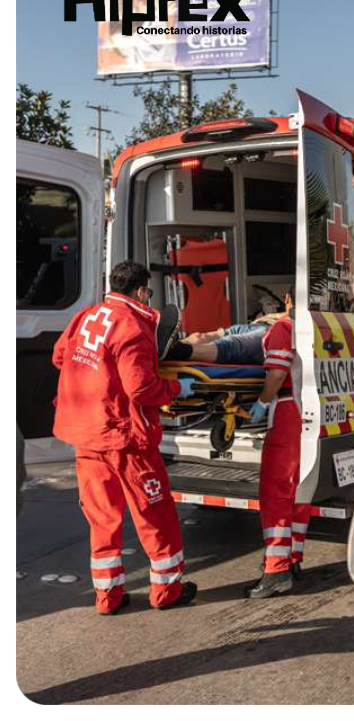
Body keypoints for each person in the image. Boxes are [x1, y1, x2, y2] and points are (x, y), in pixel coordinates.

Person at [51, 261, 199, 614]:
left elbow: (60, 357)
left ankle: (108, 597)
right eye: (148, 291)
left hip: (87, 435)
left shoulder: (87, 315)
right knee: (155, 514)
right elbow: (142, 387)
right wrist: (177, 388)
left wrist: (97, 380)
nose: (150, 297)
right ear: (140, 291)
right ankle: (166, 591)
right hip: (124, 439)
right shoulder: (131, 326)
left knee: (103, 518)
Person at [245, 310, 309, 598]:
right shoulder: (321, 327)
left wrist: (261, 401)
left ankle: (276, 570)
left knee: (276, 493)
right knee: (299, 491)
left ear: (286, 300)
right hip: (311, 413)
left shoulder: (284, 328)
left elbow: (277, 372)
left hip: (287, 411)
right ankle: (293, 558)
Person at [164, 294, 290, 365]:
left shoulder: (297, 321)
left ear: (287, 299)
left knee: (230, 344)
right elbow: (289, 314)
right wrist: (270, 316)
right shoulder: (297, 313)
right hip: (263, 326)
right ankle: (170, 346)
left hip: (272, 337)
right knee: (202, 336)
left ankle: (177, 351)